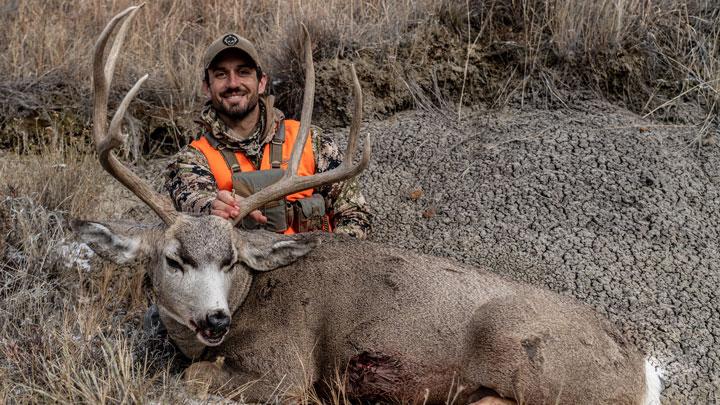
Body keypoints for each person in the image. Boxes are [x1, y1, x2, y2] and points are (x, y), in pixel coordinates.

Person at [164, 33, 372, 238]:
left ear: (261, 82)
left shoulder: (311, 140)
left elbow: (354, 214)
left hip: (315, 265)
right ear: (207, 88)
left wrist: (329, 262)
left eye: (243, 72)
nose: (233, 83)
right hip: (242, 269)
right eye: (221, 74)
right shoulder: (191, 160)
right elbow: (191, 199)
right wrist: (212, 208)